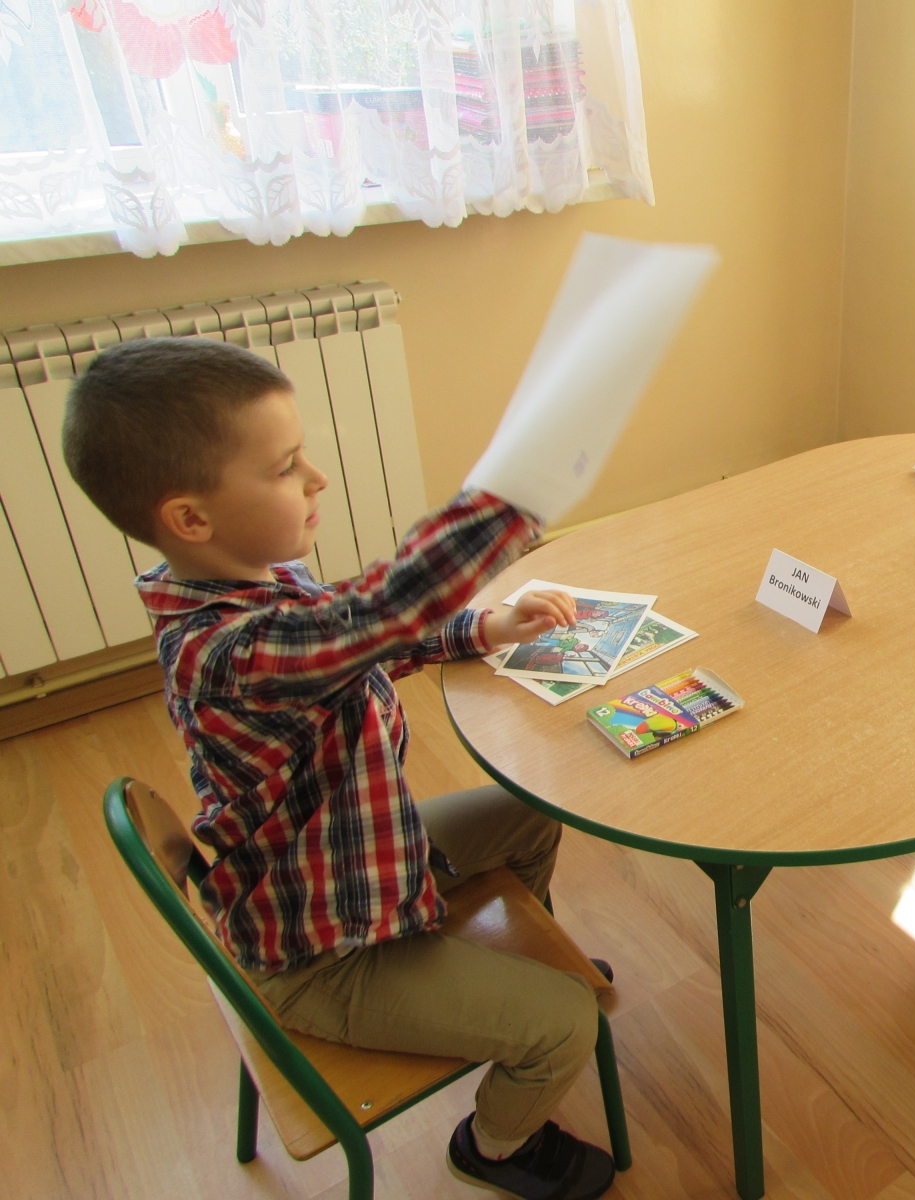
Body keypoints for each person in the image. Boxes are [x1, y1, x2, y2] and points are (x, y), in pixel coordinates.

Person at [62, 337, 616, 1200]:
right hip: (325, 955)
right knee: (569, 1021)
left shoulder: (263, 584)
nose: (316, 479)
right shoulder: (225, 651)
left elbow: (360, 640)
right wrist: (519, 491)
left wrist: (482, 628)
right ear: (191, 519)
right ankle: (496, 1147)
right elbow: (366, 623)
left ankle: (512, 973)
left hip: (360, 866)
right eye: (286, 467)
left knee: (531, 807)